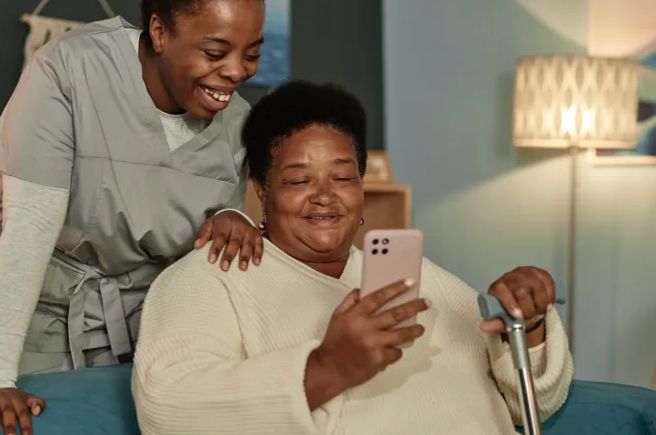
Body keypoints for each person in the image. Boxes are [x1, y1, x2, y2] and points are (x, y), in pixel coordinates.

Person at [0, 0, 291, 432]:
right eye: (216, 50)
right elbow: (30, 228)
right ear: (160, 31)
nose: (236, 71)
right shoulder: (69, 69)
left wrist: (234, 215)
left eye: (251, 53)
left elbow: (210, 218)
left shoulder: (238, 124)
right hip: (31, 296)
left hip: (138, 307)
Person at [132, 80, 574, 434]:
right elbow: (166, 409)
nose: (324, 197)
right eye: (299, 181)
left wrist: (528, 327)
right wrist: (326, 368)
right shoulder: (214, 276)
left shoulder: (417, 276)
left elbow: (530, 404)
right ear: (262, 191)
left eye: (342, 177)